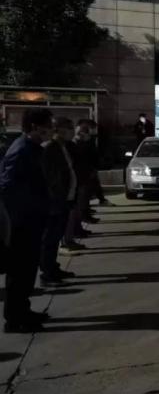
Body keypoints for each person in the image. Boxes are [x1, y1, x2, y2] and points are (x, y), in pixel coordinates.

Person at [0, 108, 53, 332]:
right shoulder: (21, 151)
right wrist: (20, 217)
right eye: (47, 126)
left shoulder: (32, 149)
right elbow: (7, 187)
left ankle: (23, 310)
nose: (51, 130)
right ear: (34, 127)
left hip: (32, 219)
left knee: (28, 270)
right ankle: (14, 319)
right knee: (19, 272)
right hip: (22, 223)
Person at [39, 117, 78, 285]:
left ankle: (53, 267)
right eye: (68, 128)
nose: (71, 131)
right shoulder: (49, 148)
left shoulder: (63, 146)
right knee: (49, 238)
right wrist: (56, 197)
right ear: (59, 129)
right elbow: (50, 177)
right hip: (55, 201)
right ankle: (47, 272)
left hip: (65, 198)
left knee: (55, 237)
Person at [61, 122, 93, 254]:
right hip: (69, 187)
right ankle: (68, 240)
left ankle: (74, 233)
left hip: (78, 181)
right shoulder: (63, 146)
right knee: (70, 214)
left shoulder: (70, 145)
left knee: (76, 210)